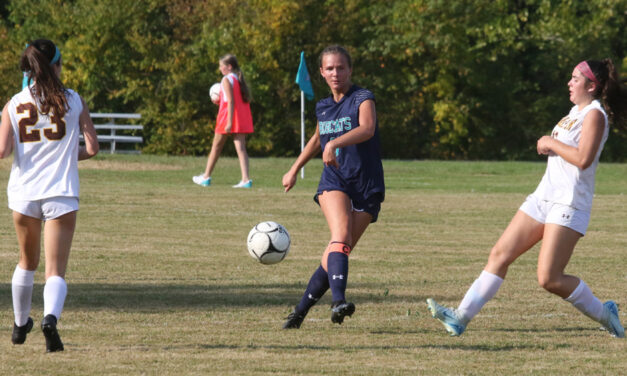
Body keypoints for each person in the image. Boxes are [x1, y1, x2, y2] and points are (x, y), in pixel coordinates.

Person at [426, 59, 626, 338]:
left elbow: (583, 159)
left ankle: (606, 314)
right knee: (499, 254)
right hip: (543, 197)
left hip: (569, 203)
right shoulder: (573, 112)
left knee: (549, 278)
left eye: (575, 79)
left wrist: (549, 142)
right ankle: (460, 317)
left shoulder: (595, 115)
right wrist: (550, 143)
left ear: (592, 86)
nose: (569, 83)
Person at [0, 39, 99, 352]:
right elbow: (93, 148)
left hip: (24, 192)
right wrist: (69, 156)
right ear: (56, 65)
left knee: (26, 262)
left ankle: (19, 325)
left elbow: (2, 150)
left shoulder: (14, 103)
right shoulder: (73, 100)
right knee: (55, 270)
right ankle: (50, 320)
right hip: (61, 191)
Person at [281, 45, 385, 329]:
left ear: (350, 70)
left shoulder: (363, 97)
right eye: (330, 68)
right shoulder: (323, 106)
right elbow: (317, 139)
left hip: (366, 183)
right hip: (335, 179)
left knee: (339, 250)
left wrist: (336, 143)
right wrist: (294, 169)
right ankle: (338, 302)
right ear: (321, 73)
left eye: (341, 67)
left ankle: (299, 313)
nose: (336, 73)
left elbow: (367, 128)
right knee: (340, 236)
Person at [193, 54, 254, 188]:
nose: (220, 68)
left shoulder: (226, 79)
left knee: (216, 147)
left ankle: (206, 177)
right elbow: (231, 99)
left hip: (227, 117)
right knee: (241, 149)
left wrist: (229, 123)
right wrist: (220, 101)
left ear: (229, 67)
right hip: (239, 116)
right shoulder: (238, 79)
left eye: (222, 66)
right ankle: (246, 179)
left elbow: (231, 101)